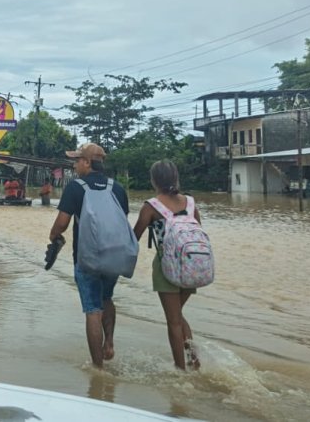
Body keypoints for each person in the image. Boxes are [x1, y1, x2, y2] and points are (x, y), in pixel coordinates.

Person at [49, 142, 129, 369]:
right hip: (114, 256)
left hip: (87, 259)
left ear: (86, 162)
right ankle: (110, 344)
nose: (74, 165)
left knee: (93, 309)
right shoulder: (118, 188)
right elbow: (121, 222)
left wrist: (53, 236)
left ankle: (98, 368)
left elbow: (62, 224)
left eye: (77, 160)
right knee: (107, 298)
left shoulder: (76, 187)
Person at [133, 159, 201, 371]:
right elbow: (199, 232)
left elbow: (134, 237)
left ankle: (180, 370)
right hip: (192, 265)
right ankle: (194, 361)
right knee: (178, 315)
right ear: (175, 177)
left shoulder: (151, 206)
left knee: (173, 320)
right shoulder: (190, 203)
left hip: (167, 267)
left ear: (154, 180)